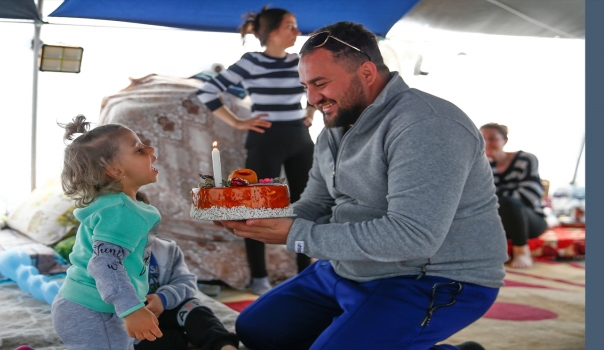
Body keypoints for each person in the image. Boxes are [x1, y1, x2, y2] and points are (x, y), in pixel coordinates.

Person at [218, 22, 508, 350]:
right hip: (349, 268)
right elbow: (316, 203)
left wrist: (295, 234)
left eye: (320, 83)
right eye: (305, 86)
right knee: (256, 330)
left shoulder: (427, 125)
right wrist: (257, 219)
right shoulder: (336, 125)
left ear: (367, 73)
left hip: (433, 278)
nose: (312, 99)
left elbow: (413, 238)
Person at [196, 6, 315, 295]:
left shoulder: (300, 61)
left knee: (308, 208)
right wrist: (238, 122)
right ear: (273, 32)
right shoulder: (251, 62)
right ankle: (259, 278)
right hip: (265, 142)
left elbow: (318, 88)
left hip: (301, 141)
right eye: (291, 26)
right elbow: (207, 92)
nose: (297, 32)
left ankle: (307, 275)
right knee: (256, 208)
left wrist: (310, 110)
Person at [51, 115, 163, 349]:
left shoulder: (115, 206)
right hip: (92, 311)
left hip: (87, 305)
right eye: (139, 150)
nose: (151, 149)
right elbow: (103, 264)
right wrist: (131, 309)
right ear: (115, 169)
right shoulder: (120, 211)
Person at [135, 230, 239, 350]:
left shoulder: (167, 250)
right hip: (130, 318)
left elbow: (186, 281)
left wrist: (163, 298)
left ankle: (224, 345)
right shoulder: (111, 257)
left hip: (166, 308)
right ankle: (184, 340)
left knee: (195, 309)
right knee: (151, 342)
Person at [480, 123, 547, 269]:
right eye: (482, 138)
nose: (486, 143)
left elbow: (529, 195)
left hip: (530, 221)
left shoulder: (526, 159)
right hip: (497, 221)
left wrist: (498, 200)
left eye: (492, 138)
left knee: (509, 204)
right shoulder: (482, 165)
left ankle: (521, 250)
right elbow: (480, 197)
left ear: (505, 140)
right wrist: (489, 165)